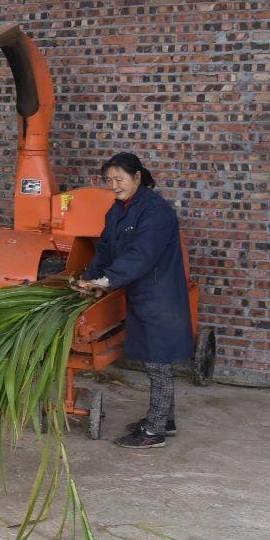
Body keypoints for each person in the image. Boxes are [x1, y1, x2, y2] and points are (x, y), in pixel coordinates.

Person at [72, 152, 192, 450]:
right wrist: (90, 278)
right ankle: (166, 420)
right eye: (109, 180)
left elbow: (141, 255)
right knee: (155, 359)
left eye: (119, 179)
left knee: (158, 362)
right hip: (141, 293)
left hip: (160, 295)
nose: (114, 185)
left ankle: (154, 432)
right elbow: (106, 249)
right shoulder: (119, 209)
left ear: (138, 177)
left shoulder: (154, 211)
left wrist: (107, 281)